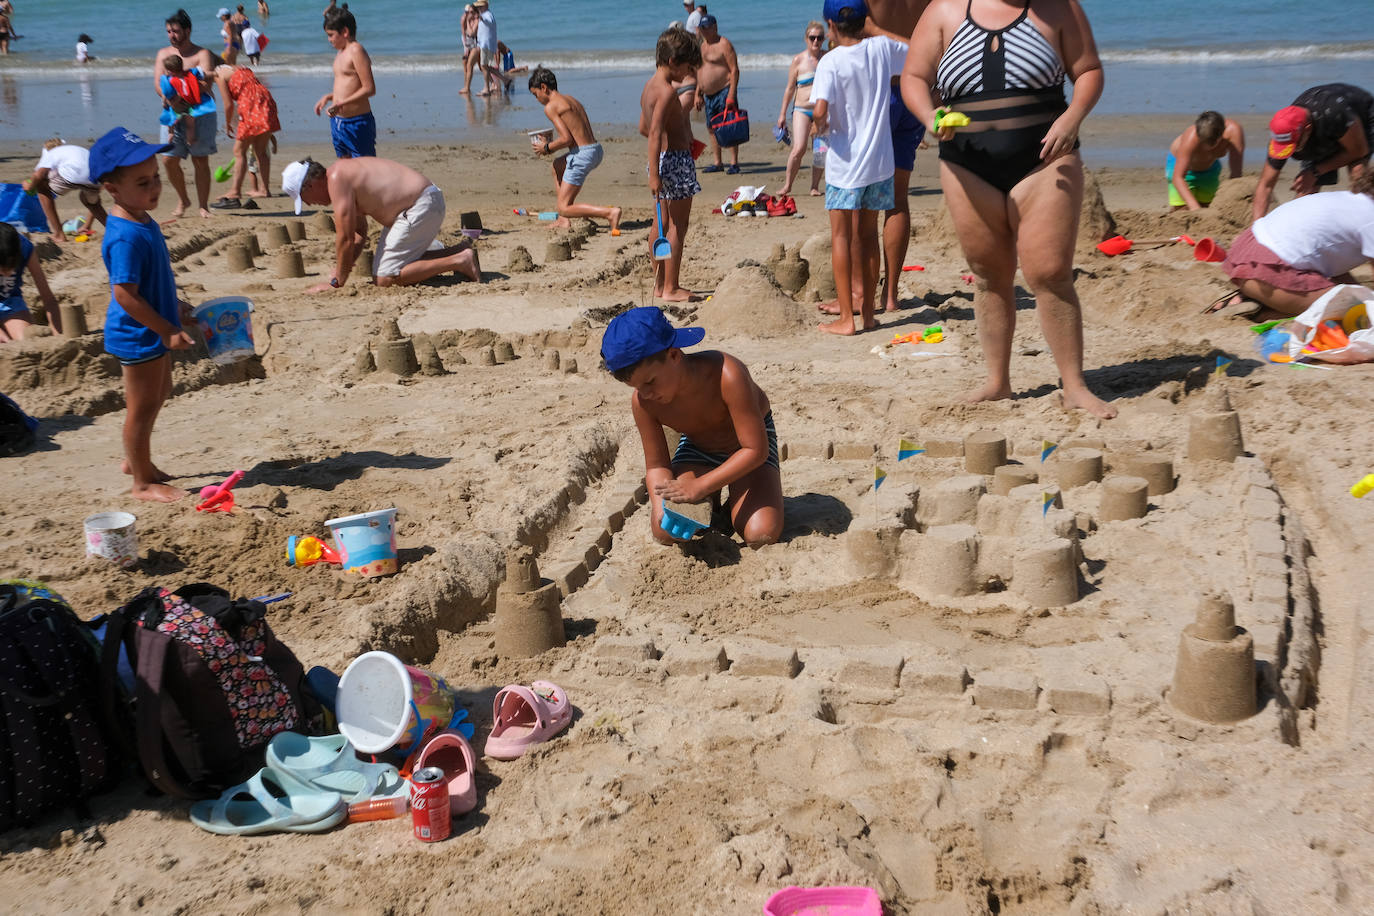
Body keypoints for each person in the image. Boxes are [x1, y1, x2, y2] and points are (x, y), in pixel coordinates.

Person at [901, 0, 1116, 418]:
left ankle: (1074, 385)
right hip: (966, 164)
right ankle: (998, 382)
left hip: (1045, 158)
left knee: (1050, 273)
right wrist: (929, 116)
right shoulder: (944, 10)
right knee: (988, 274)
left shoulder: (1059, 8)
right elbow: (914, 76)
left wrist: (1072, 118)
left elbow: (1088, 70)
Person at [602, 307, 783, 549]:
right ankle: (715, 500)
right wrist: (660, 508)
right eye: (635, 387)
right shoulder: (644, 402)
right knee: (665, 531)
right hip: (700, 448)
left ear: (675, 355)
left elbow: (755, 450)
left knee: (761, 533)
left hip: (749, 451)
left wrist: (701, 486)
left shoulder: (726, 374)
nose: (646, 394)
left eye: (650, 382)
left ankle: (729, 496)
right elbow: (657, 466)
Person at [89, 126, 195, 502]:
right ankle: (141, 482)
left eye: (156, 179)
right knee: (142, 405)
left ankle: (139, 462)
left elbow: (153, 283)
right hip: (137, 335)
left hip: (153, 327)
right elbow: (126, 295)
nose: (154, 189)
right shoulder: (125, 234)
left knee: (160, 391)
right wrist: (166, 329)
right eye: (142, 183)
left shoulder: (143, 222)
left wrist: (178, 309)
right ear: (112, 190)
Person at [811, 1, 907, 335]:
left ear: (830, 25)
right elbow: (917, 50)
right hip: (880, 164)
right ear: (864, 20)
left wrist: (817, 125)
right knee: (868, 235)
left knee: (841, 236)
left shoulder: (830, 61)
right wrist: (877, 30)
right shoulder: (881, 49)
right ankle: (867, 314)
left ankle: (847, 320)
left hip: (845, 166)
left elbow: (820, 109)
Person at [281, 156, 482, 291]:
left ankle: (460, 261)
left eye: (303, 197)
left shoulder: (337, 178)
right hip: (419, 206)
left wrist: (336, 282)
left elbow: (345, 238)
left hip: (420, 206)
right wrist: (344, 267)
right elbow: (359, 232)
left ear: (310, 184)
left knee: (384, 278)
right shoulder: (340, 174)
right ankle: (459, 250)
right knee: (389, 270)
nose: (308, 203)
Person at [1215, 172, 1374, 318]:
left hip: (1246, 255)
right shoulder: (1370, 217)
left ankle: (1255, 299)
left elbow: (1330, 260)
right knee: (1352, 310)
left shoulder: (1351, 200)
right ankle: (1262, 313)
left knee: (1358, 297)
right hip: (1268, 269)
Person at [639, 27, 704, 303]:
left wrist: (657, 164)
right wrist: (656, 172)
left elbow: (642, 127)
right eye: (688, 67)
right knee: (679, 224)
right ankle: (671, 287)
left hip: (663, 160)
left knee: (661, 222)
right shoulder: (666, 92)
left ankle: (658, 284)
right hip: (674, 161)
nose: (689, 73)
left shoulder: (649, 87)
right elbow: (653, 133)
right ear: (673, 62)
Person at [1253, 84, 1374, 223]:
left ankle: (1364, 224)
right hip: (1322, 130)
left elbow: (1358, 151)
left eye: (1294, 146)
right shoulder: (1283, 131)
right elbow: (1266, 185)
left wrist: (1315, 172)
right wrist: (1255, 228)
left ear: (1307, 130)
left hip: (1359, 118)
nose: (1291, 151)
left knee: (1358, 176)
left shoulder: (1334, 112)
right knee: (1305, 190)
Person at [529, 68, 623, 235]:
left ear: (544, 87)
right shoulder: (571, 99)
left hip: (582, 154)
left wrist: (546, 147)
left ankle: (609, 213)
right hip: (595, 149)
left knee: (564, 207)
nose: (537, 100)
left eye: (536, 95)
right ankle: (563, 220)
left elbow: (566, 139)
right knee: (557, 166)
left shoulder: (551, 107)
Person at [154, 9, 221, 220]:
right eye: (168, 31)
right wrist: (172, 98)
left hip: (200, 113)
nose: (172, 35)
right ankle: (183, 199)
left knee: (200, 160)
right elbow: (158, 83)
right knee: (168, 160)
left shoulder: (202, 54)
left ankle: (203, 206)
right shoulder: (163, 54)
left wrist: (184, 93)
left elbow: (206, 84)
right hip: (172, 112)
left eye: (175, 31)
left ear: (187, 30)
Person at [212, 65, 280, 208]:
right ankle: (264, 189)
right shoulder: (238, 67)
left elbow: (228, 104)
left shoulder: (218, 73)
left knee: (239, 151)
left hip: (251, 103)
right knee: (260, 151)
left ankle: (235, 191)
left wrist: (228, 123)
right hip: (266, 98)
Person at [315, 6, 376, 158]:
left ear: (345, 32)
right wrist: (330, 97)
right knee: (345, 167)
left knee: (364, 169)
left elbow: (369, 88)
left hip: (356, 123)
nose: (329, 40)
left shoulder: (356, 51)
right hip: (338, 121)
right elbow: (347, 85)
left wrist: (341, 103)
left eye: (331, 35)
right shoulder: (341, 52)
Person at [777, 21, 826, 197]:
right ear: (806, 39)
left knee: (821, 151)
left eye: (820, 38)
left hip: (822, 111)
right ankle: (787, 185)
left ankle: (814, 187)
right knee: (799, 148)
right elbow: (790, 88)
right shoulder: (798, 60)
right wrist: (782, 114)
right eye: (812, 38)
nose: (816, 41)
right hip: (802, 109)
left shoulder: (827, 58)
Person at [25, 139, 107, 243]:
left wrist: (29, 185)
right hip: (99, 177)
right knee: (92, 202)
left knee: (41, 187)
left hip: (73, 174)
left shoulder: (50, 154)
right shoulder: (73, 150)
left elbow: (38, 175)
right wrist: (87, 225)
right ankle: (113, 231)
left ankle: (59, 234)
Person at [1167, 110, 1244, 211]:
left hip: (1209, 169)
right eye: (1201, 142)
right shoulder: (1190, 139)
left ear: (1221, 135)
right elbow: (1178, 177)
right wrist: (1196, 209)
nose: (1204, 148)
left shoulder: (1234, 133)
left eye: (1211, 144)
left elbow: (1236, 174)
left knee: (1208, 207)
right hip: (1182, 169)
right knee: (1183, 210)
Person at [695, 15, 742, 174]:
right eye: (703, 28)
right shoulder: (702, 46)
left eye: (708, 27)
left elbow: (734, 70)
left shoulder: (724, 45)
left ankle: (734, 162)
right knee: (711, 127)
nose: (705, 31)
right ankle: (718, 162)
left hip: (724, 90)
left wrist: (731, 94)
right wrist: (698, 93)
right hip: (708, 94)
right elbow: (700, 71)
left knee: (729, 125)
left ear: (715, 27)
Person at [0, 223, 61, 342]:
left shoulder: (25, 249)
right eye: (2, 269)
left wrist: (58, 336)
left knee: (27, 339)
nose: (7, 274)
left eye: (11, 268)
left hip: (10, 301)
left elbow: (48, 298)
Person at [159, 55, 209, 147]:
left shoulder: (170, 80)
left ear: (172, 70)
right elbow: (201, 74)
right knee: (190, 125)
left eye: (168, 70)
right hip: (188, 105)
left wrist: (164, 102)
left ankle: (171, 134)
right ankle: (190, 140)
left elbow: (165, 93)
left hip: (176, 106)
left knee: (171, 123)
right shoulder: (187, 76)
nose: (167, 73)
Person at [473, 0, 508, 96]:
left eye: (481, 6)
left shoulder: (487, 15)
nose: (479, 8)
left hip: (486, 45)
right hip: (485, 44)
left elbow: (489, 21)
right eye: (478, 7)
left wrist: (481, 18)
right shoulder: (485, 15)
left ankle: (487, 88)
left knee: (484, 66)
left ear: (486, 6)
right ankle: (505, 80)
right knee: (486, 66)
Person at [459, 4, 480, 95]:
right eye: (467, 12)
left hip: (473, 42)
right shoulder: (464, 18)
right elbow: (463, 33)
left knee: (478, 65)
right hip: (466, 40)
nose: (468, 14)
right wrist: (466, 47)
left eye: (470, 12)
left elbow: (473, 34)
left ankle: (467, 86)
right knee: (466, 62)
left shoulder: (474, 19)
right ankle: (466, 85)